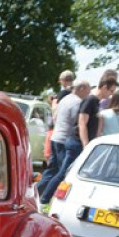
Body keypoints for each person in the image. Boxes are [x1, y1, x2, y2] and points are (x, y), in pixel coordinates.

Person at [38, 78, 90, 207]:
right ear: (82, 88)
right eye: (88, 90)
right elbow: (77, 121)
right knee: (62, 172)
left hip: (55, 137)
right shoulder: (78, 102)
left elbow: (55, 117)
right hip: (64, 139)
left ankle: (36, 193)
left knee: (51, 170)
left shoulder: (65, 99)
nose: (89, 93)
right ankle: (46, 200)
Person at [79, 75, 118, 144]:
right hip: (79, 143)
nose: (112, 94)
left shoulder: (97, 102)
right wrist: (85, 144)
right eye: (111, 91)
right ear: (104, 87)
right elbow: (82, 123)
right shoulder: (91, 100)